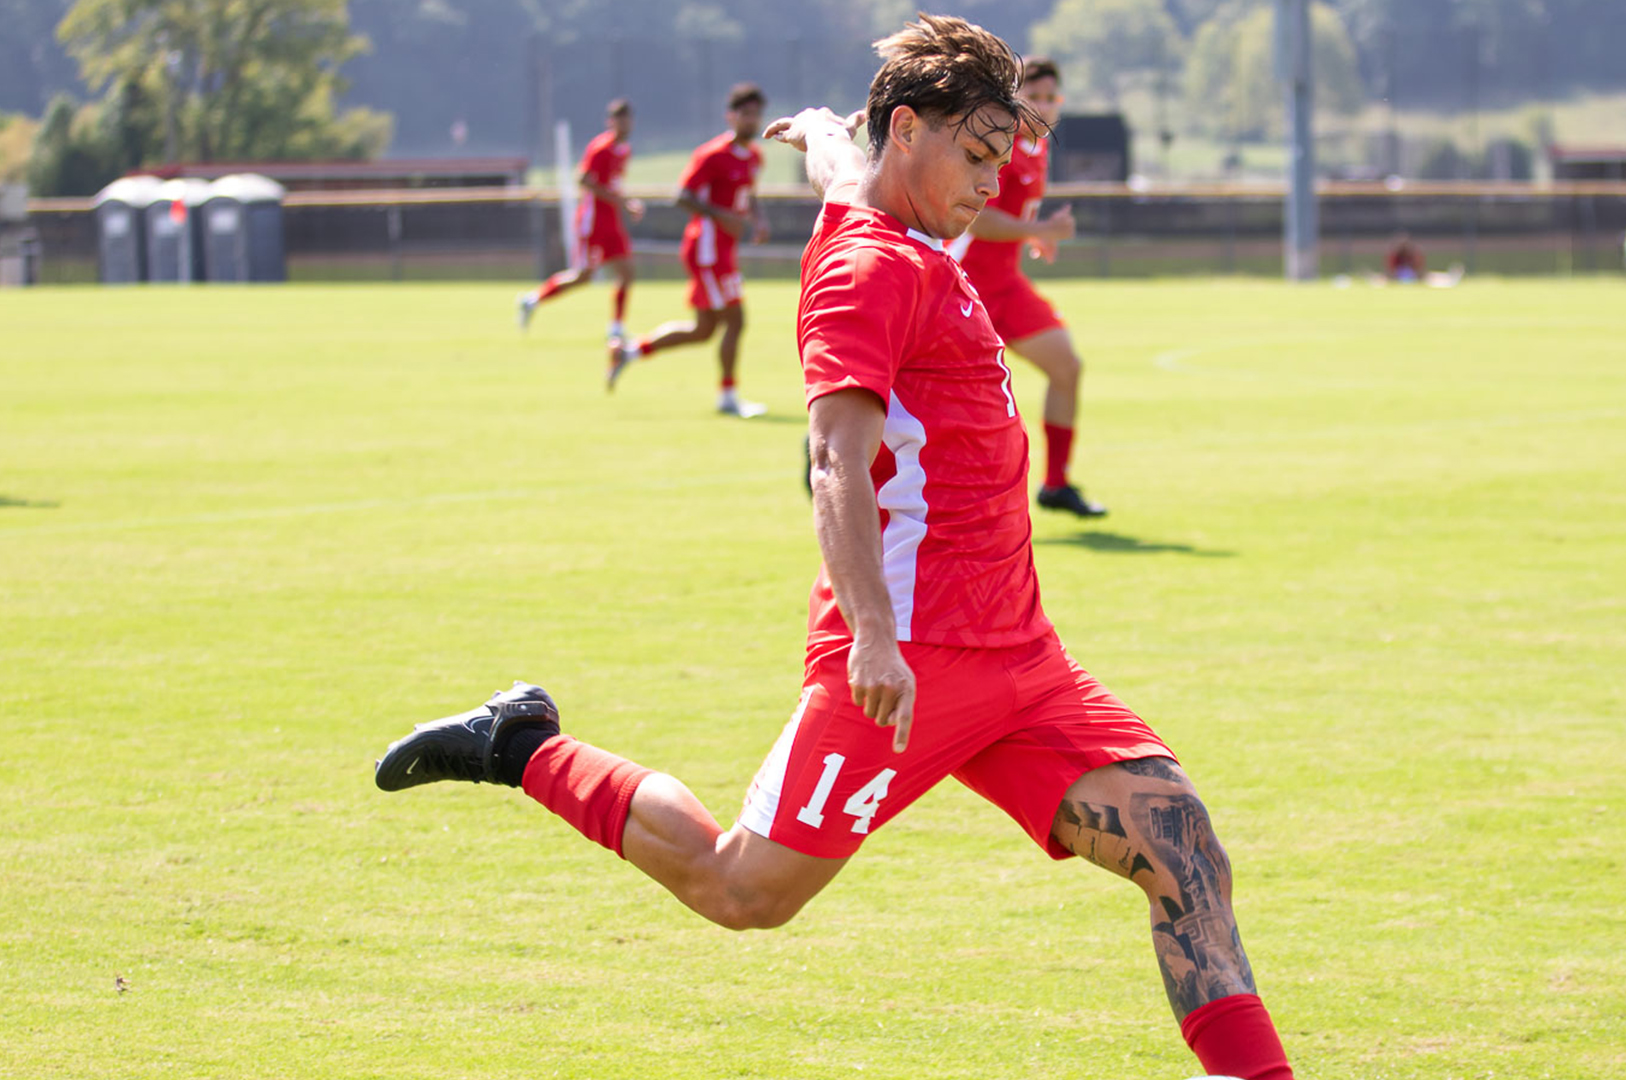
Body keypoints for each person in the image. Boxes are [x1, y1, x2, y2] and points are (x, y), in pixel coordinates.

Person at [373, 16, 1292, 1080]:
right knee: (739, 890)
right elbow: (832, 462)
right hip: (909, 661)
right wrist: (870, 635)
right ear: (910, 131)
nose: (994, 181)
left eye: (1004, 156)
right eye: (979, 154)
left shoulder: (890, 206)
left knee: (1184, 851)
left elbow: (846, 165)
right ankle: (520, 744)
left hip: (1021, 662)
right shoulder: (869, 268)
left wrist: (819, 135)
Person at [947, 57, 1105, 518]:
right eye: (1032, 97)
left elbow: (1012, 219)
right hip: (964, 287)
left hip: (1005, 285)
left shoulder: (1039, 148)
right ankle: (835, 445)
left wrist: (1036, 233)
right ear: (1014, 101)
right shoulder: (1002, 145)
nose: (1043, 105)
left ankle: (1055, 485)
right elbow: (979, 218)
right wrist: (1038, 231)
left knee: (1066, 367)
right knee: (943, 397)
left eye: (1051, 97)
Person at [609, 84, 771, 416]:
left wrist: (758, 219)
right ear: (731, 116)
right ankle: (727, 397)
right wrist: (721, 215)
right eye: (745, 113)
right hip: (707, 250)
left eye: (756, 114)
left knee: (704, 330)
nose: (751, 120)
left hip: (724, 250)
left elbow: (748, 193)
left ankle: (629, 351)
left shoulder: (755, 156)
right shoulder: (712, 154)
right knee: (737, 320)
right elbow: (682, 195)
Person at [518, 99, 644, 343]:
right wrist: (622, 203)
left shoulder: (624, 150)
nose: (624, 124)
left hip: (612, 221)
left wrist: (628, 203)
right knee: (583, 276)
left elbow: (613, 186)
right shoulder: (601, 148)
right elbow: (584, 179)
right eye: (619, 119)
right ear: (610, 122)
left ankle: (616, 327)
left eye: (628, 119)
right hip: (593, 221)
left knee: (627, 272)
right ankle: (531, 300)